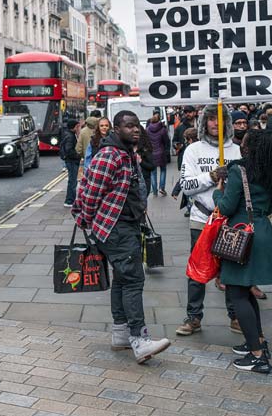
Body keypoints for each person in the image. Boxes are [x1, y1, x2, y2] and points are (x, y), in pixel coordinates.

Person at [73, 111, 170, 364]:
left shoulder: (124, 153)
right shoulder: (110, 155)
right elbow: (90, 192)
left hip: (123, 225)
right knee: (134, 280)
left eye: (137, 125)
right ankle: (140, 340)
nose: (135, 130)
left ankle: (121, 334)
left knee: (121, 279)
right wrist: (85, 220)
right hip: (115, 228)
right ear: (116, 129)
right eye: (128, 126)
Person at [215, 130, 272, 373]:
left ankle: (257, 356)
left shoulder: (239, 171)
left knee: (237, 293)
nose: (240, 144)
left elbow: (225, 206)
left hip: (241, 234)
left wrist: (218, 190)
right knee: (247, 291)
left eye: (244, 142)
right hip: (263, 230)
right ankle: (258, 341)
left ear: (250, 147)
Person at [176, 104, 242, 336]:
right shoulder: (193, 150)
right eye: (212, 119)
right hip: (201, 218)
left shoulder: (236, 150)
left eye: (221, 119)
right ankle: (194, 317)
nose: (216, 123)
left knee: (232, 272)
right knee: (197, 270)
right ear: (205, 122)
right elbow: (186, 185)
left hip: (230, 220)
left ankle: (235, 316)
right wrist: (211, 176)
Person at [145, 114, 170, 196]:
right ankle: (161, 188)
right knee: (163, 170)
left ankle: (155, 191)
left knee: (153, 173)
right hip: (161, 153)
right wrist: (167, 151)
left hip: (151, 153)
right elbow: (166, 141)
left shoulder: (147, 130)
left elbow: (146, 142)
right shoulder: (163, 130)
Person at [59, 119, 79, 208]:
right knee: (72, 181)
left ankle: (70, 200)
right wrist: (78, 156)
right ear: (74, 127)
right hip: (71, 161)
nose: (78, 128)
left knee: (72, 181)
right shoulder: (70, 136)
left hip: (70, 160)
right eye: (77, 126)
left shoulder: (67, 134)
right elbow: (69, 150)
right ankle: (69, 200)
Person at [173, 105, 197, 170]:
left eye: (189, 112)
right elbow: (174, 141)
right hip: (185, 158)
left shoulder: (200, 126)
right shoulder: (180, 127)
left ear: (194, 113)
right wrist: (177, 145)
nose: (187, 114)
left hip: (198, 158)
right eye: (186, 112)